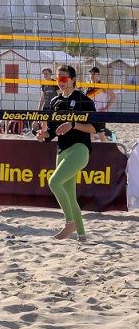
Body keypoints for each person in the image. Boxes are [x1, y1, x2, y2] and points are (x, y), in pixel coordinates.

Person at [35, 64, 100, 241]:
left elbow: (94, 128)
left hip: (80, 149)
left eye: (64, 78)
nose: (61, 82)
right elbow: (52, 132)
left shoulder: (84, 100)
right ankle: (82, 236)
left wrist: (73, 124)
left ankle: (69, 223)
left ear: (72, 79)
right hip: (62, 150)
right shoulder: (55, 102)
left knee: (54, 182)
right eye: (58, 79)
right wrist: (43, 135)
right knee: (71, 197)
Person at [85, 66, 116, 142]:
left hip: (100, 113)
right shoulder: (87, 85)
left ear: (98, 75)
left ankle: (103, 152)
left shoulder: (102, 84)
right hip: (90, 113)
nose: (91, 75)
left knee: (101, 134)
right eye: (90, 73)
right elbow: (86, 99)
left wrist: (105, 108)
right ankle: (90, 152)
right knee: (90, 134)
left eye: (93, 74)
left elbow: (113, 97)